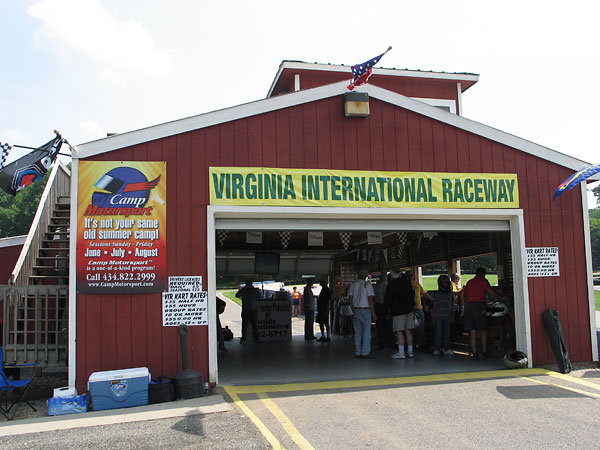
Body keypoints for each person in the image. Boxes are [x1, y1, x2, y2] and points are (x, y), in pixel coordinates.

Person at [463, 267, 504, 359]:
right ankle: (484, 352)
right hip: (478, 306)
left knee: (472, 331)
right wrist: (501, 297)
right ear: (483, 274)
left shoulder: (469, 282)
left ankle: (475, 353)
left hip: (468, 307)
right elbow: (490, 292)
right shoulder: (483, 281)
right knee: (482, 330)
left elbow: (465, 296)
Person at [385, 270, 415, 359]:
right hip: (409, 310)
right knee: (408, 331)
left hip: (398, 311)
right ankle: (410, 351)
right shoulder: (407, 283)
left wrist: (387, 310)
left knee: (399, 331)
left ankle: (401, 352)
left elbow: (388, 298)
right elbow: (412, 295)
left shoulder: (391, 284)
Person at [348, 270, 376, 358]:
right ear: (366, 276)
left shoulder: (353, 285)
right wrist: (373, 313)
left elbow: (350, 298)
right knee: (367, 332)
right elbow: (370, 299)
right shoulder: (368, 285)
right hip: (366, 310)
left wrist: (353, 309)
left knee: (357, 332)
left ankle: (358, 351)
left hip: (356, 309)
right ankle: (365, 352)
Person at [406, 272, 434, 349]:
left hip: (418, 308)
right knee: (411, 328)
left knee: (420, 327)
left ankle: (420, 344)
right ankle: (413, 344)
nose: (410, 277)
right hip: (410, 310)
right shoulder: (405, 286)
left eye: (411, 275)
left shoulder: (417, 285)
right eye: (408, 276)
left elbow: (424, 294)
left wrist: (432, 299)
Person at [432, 275, 455, 355]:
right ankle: (437, 348)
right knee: (438, 333)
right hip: (439, 316)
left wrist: (453, 315)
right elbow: (435, 305)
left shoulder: (451, 294)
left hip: (447, 316)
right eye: (444, 283)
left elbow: (452, 305)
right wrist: (434, 316)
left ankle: (447, 348)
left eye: (447, 283)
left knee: (447, 333)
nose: (446, 284)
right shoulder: (438, 293)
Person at [236, 279, 261, 344]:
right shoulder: (254, 290)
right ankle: (256, 338)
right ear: (251, 283)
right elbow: (259, 296)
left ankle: (243, 338)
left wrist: (242, 290)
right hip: (253, 309)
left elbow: (237, 295)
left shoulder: (244, 290)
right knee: (254, 324)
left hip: (245, 309)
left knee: (244, 324)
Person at [373, 273, 389, 349]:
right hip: (384, 305)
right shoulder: (386, 285)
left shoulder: (376, 285)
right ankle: (386, 339)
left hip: (377, 306)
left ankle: (380, 340)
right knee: (386, 323)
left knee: (379, 324)